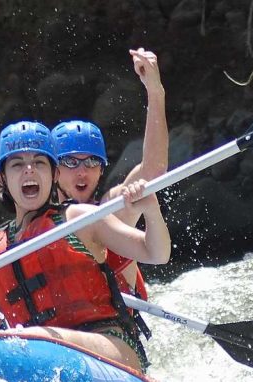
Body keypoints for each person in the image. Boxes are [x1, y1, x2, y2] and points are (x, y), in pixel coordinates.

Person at [0, 121, 171, 374]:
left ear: (54, 175)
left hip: (111, 350)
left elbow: (158, 254)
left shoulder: (80, 218)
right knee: (18, 342)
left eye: (39, 163)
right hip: (39, 356)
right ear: (3, 177)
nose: (29, 170)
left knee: (32, 338)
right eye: (17, 164)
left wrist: (151, 210)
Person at [51, 47, 168, 301]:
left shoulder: (111, 210)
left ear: (102, 168)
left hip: (117, 330)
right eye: (71, 162)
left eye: (92, 162)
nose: (82, 171)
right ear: (53, 171)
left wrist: (155, 92)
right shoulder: (36, 226)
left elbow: (154, 169)